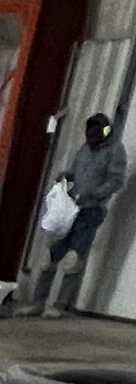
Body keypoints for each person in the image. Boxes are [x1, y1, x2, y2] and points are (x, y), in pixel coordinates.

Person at [31, 111, 128, 316]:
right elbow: (75, 172)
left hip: (91, 211)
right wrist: (66, 176)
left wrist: (94, 194)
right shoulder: (84, 150)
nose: (91, 137)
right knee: (51, 256)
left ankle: (61, 305)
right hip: (71, 209)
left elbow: (116, 180)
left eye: (95, 133)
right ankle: (38, 302)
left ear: (105, 132)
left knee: (73, 260)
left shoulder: (115, 151)